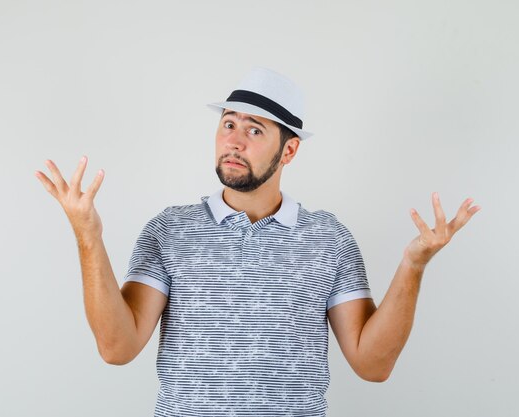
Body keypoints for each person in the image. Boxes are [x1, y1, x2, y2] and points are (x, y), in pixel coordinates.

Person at [34, 67, 480, 416]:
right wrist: (88, 237)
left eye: (254, 131)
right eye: (228, 124)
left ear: (289, 151)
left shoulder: (329, 239)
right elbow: (117, 347)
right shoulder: (169, 231)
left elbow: (373, 364)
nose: (234, 141)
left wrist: (413, 265)